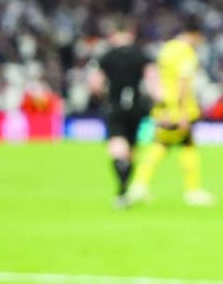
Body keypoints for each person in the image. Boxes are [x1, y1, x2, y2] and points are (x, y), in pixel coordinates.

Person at [127, 28, 215, 207]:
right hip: (179, 107)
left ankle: (139, 185)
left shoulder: (165, 50)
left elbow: (155, 76)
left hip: (164, 104)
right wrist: (181, 111)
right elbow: (183, 81)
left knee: (165, 144)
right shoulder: (186, 52)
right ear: (194, 35)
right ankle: (192, 190)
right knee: (182, 144)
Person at [89, 23, 154, 208]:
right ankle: (126, 190)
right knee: (132, 148)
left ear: (113, 34)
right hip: (137, 107)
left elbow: (95, 83)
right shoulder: (141, 55)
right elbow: (152, 79)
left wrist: (102, 95)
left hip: (115, 106)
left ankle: (122, 190)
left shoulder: (107, 56)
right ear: (131, 33)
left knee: (117, 146)